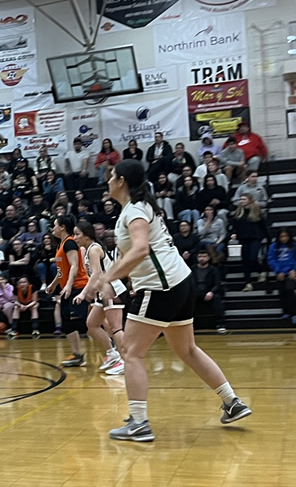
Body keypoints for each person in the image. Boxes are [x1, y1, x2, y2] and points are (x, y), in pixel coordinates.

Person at [82, 159, 251, 443]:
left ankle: (139, 423)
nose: (107, 181)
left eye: (111, 176)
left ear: (121, 181)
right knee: (187, 349)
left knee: (131, 352)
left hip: (161, 288)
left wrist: (106, 278)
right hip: (180, 282)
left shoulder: (135, 210)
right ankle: (232, 401)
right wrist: (117, 279)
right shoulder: (139, 207)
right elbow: (137, 255)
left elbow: (140, 249)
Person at [74, 221, 126, 375]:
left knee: (115, 327)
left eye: (77, 234)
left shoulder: (94, 249)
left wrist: (84, 293)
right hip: (102, 292)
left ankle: (126, 361)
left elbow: (96, 274)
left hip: (111, 290)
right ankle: (112, 354)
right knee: (92, 324)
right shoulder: (86, 249)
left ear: (87, 235)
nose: (75, 237)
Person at [45, 215, 90, 367]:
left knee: (83, 322)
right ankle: (77, 355)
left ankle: (112, 345)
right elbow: (62, 271)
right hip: (67, 288)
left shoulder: (70, 243)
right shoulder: (61, 244)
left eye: (55, 225)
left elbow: (74, 265)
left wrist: (69, 285)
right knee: (67, 323)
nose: (53, 228)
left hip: (78, 287)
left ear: (62, 227)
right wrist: (53, 284)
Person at [230, 194, 268, 292]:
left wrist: (267, 237)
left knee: (253, 257)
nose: (242, 201)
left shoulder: (256, 211)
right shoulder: (239, 212)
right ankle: (248, 282)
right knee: (245, 261)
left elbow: (263, 225)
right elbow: (235, 226)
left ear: (250, 200)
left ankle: (261, 270)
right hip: (244, 238)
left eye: (244, 199)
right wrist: (234, 233)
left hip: (255, 237)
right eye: (241, 199)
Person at [192, 249, 227, 334]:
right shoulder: (192, 269)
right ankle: (190, 325)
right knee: (188, 301)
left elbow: (217, 284)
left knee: (217, 299)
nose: (202, 258)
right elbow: (190, 283)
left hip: (209, 291)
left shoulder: (213, 269)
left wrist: (211, 292)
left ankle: (221, 324)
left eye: (204, 256)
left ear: (209, 258)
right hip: (196, 292)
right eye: (200, 257)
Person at [267, 228, 296, 323]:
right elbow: (271, 259)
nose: (284, 238)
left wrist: (294, 270)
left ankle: (294, 313)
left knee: (290, 291)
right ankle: (286, 312)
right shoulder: (274, 247)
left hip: (291, 273)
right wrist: (278, 271)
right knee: (282, 292)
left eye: (286, 236)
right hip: (280, 273)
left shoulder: (293, 245)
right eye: (282, 237)